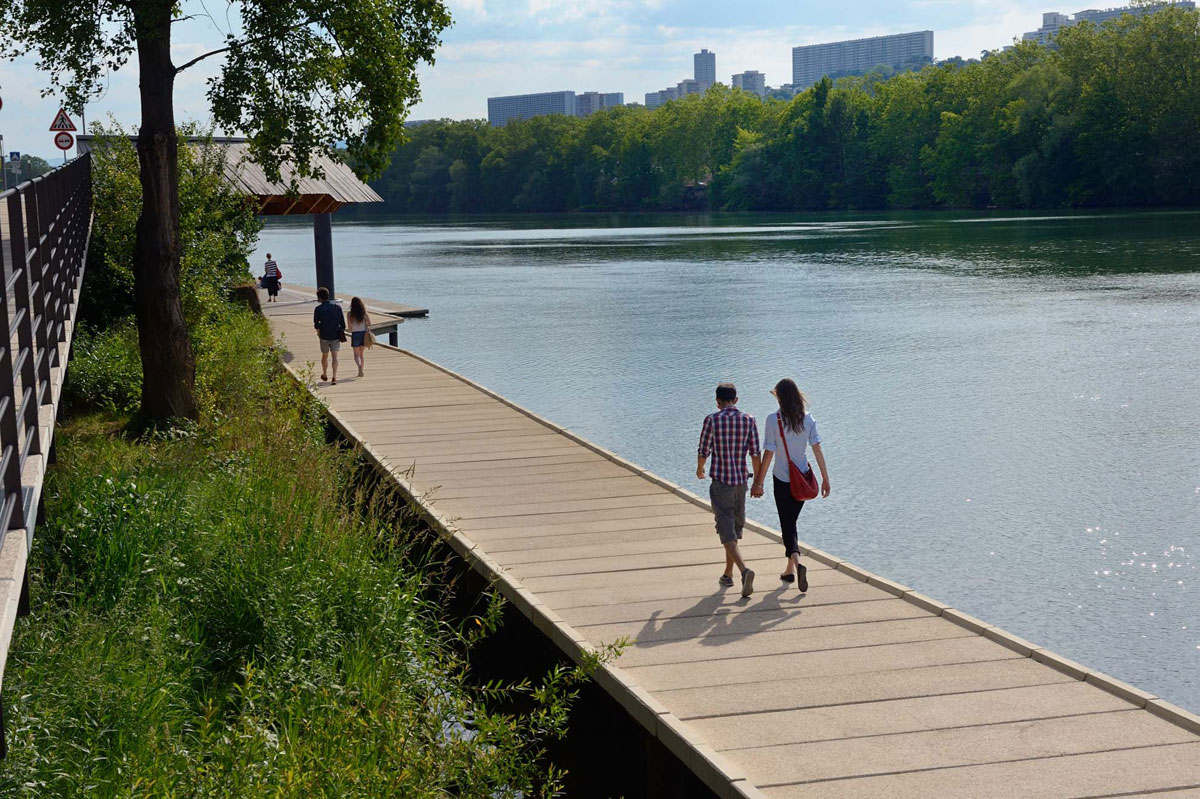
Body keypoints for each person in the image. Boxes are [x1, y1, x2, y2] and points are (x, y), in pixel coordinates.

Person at [752, 378, 831, 592]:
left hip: (782, 479)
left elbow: (768, 452)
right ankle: (789, 570)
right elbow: (817, 450)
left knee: (787, 524)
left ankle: (797, 563)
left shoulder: (773, 420)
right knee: (791, 523)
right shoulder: (808, 419)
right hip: (803, 479)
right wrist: (825, 478)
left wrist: (758, 482)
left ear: (780, 397)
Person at [697, 382, 763, 598]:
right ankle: (728, 574)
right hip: (741, 484)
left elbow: (704, 448)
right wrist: (758, 483)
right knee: (733, 530)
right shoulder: (749, 420)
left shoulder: (712, 419)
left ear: (717, 402)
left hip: (721, 483)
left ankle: (744, 571)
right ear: (736, 400)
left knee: (725, 531)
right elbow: (755, 453)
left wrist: (700, 468)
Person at [312, 287, 346, 384]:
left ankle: (325, 374)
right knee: (335, 356)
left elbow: (316, 323)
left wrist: (318, 332)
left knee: (325, 355)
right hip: (335, 335)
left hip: (324, 335)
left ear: (319, 298)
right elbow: (343, 324)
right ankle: (334, 377)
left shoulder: (318, 309)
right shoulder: (337, 307)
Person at [347, 297, 372, 378]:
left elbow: (350, 327)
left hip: (355, 334)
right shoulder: (364, 313)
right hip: (364, 334)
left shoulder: (350, 314)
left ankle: (359, 367)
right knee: (361, 354)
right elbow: (369, 323)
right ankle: (361, 370)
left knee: (356, 355)